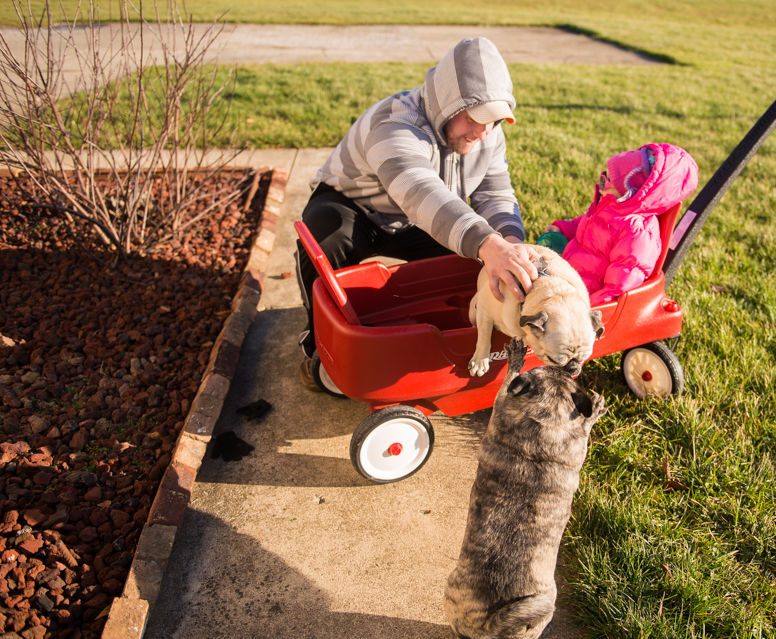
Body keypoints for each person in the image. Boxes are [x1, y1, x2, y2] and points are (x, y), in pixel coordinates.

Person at [295, 37, 539, 391]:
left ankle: (471, 334)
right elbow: (421, 193)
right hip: (355, 207)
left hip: (422, 218)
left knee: (484, 264)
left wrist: (510, 246)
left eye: (496, 120)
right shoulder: (393, 124)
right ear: (448, 103)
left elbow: (495, 192)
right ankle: (319, 342)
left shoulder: (487, 134)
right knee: (324, 238)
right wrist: (489, 243)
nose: (484, 131)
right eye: (476, 117)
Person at [543, 143, 698, 306]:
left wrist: (584, 310)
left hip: (585, 299)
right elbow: (588, 228)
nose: (600, 184)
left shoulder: (636, 235)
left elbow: (617, 291)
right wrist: (564, 229)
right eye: (604, 176)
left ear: (629, 193)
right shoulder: (610, 207)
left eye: (606, 182)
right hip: (567, 279)